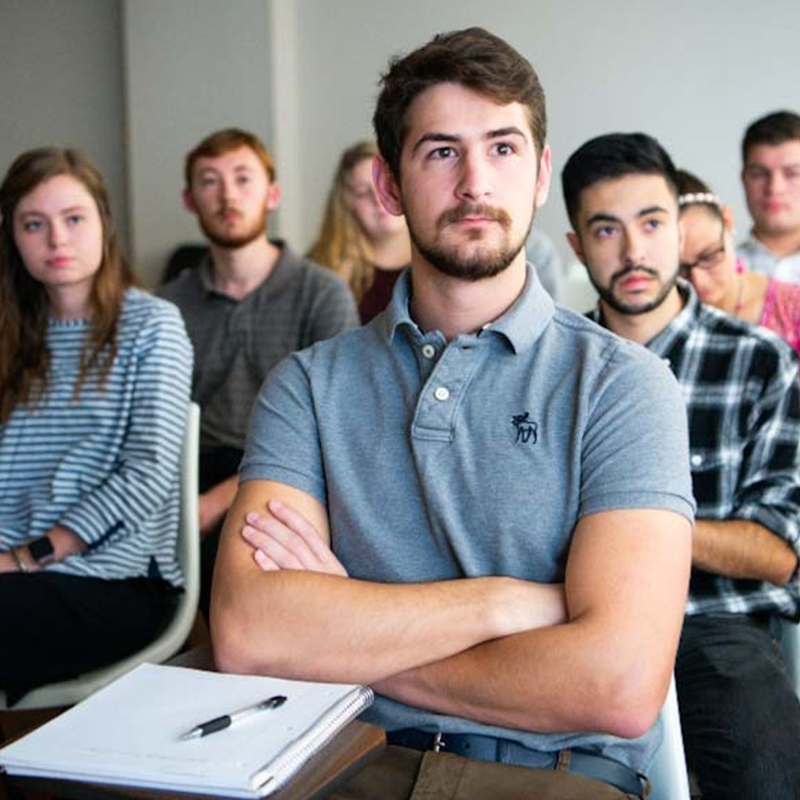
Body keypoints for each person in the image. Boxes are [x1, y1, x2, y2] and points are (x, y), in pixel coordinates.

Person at [211, 29, 695, 800]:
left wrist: (345, 635)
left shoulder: (625, 386)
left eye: (502, 149)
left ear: (539, 175)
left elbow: (617, 684)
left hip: (555, 775)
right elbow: (249, 634)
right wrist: (511, 604)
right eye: (440, 152)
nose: (475, 181)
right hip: (342, 762)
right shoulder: (306, 385)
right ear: (390, 186)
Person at [563, 131, 800, 800]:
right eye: (606, 230)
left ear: (681, 230)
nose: (634, 251)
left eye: (651, 223)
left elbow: (780, 551)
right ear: (578, 247)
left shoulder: (758, 360)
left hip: (716, 623)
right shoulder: (548, 364)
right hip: (570, 623)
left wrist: (629, 529)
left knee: (771, 774)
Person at [0, 147, 192, 707]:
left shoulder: (150, 324)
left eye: (74, 219)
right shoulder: (11, 337)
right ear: (13, 236)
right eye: (34, 224)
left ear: (103, 225)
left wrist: (25, 557)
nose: (56, 240)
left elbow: (150, 471)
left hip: (114, 580)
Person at [158, 128, 359, 620]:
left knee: (243, 590)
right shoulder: (167, 305)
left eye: (243, 178)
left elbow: (337, 426)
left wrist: (211, 506)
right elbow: (155, 428)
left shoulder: (321, 294)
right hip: (188, 472)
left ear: (271, 193)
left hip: (286, 471)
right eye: (210, 181)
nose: (228, 195)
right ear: (189, 199)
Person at [677, 168, 800, 357]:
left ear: (728, 221)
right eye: (680, 269)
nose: (698, 281)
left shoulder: (793, 309)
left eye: (709, 257)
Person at [308, 140, 411, 323]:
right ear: (348, 206)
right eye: (363, 192)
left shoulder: (442, 258)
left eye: (386, 185)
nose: (378, 199)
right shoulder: (319, 270)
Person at [738, 110, 800, 282]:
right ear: (744, 180)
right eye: (759, 174)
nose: (774, 188)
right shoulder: (714, 277)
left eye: (792, 174)